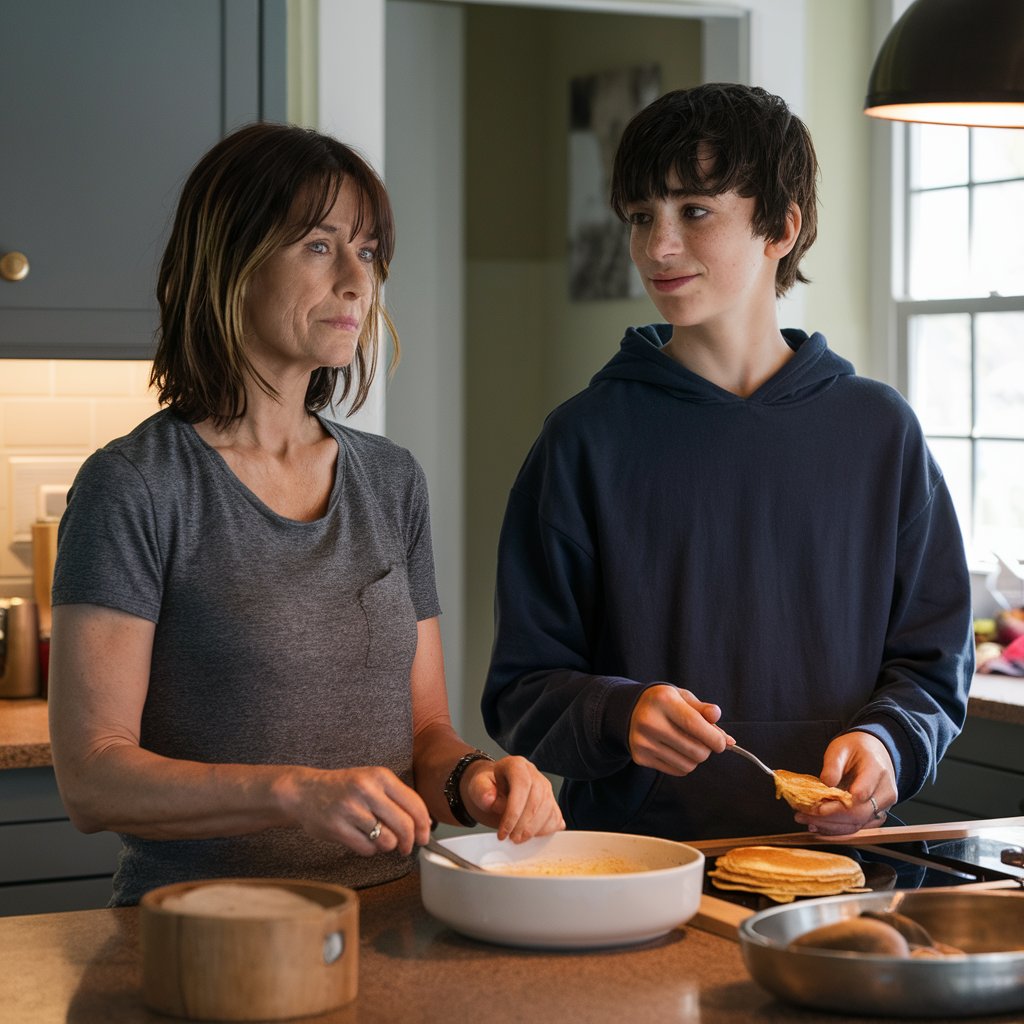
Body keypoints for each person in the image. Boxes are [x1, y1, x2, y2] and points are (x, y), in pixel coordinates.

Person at [48, 122, 563, 906]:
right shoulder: (135, 488)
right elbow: (93, 777)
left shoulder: (391, 480)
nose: (359, 279)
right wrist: (294, 791)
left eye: (368, 250)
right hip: (202, 930)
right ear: (232, 260)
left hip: (389, 921)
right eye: (321, 246)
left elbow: (425, 735)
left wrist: (475, 779)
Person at [481, 84, 973, 843]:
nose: (656, 246)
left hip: (840, 874)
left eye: (694, 211)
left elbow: (933, 667)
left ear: (781, 227)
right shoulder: (583, 440)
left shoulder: (882, 434)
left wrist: (887, 745)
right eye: (642, 216)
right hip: (632, 873)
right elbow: (521, 690)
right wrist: (620, 714)